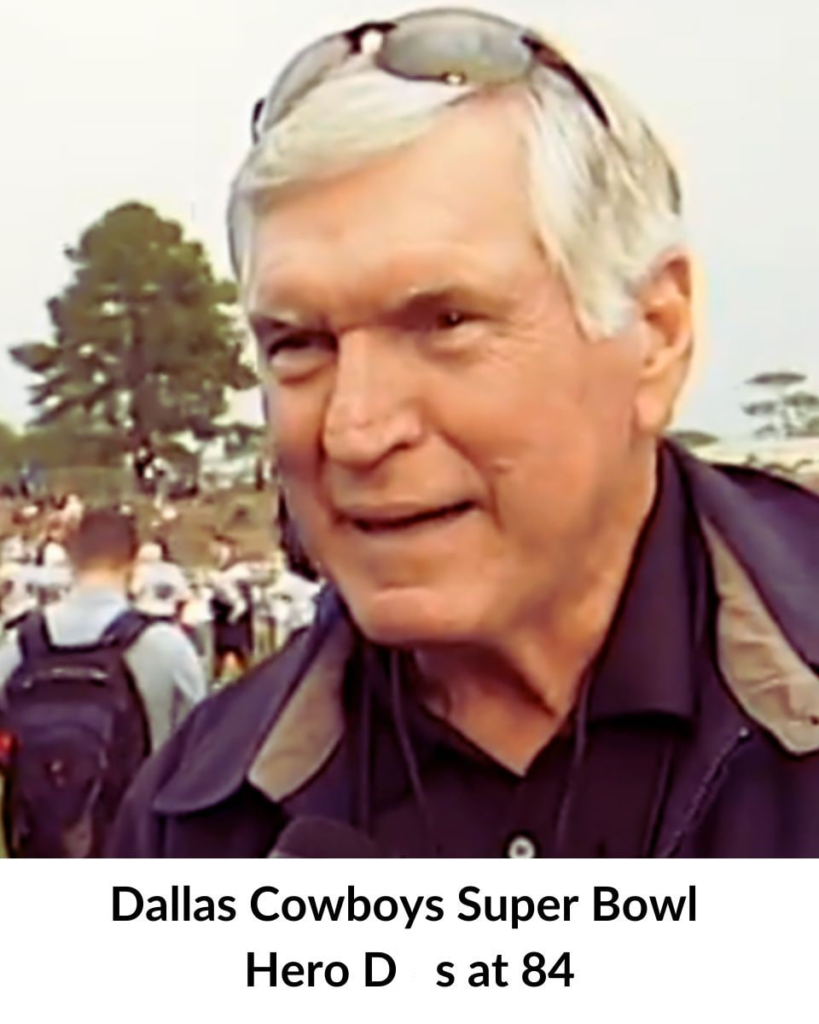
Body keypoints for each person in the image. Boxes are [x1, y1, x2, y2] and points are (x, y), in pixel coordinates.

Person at [110, 8, 819, 858]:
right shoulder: (193, 822)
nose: (355, 431)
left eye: (445, 322)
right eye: (299, 344)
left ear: (655, 335)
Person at [0, 509, 206, 751]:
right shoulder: (166, 647)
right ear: (134, 564)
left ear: (71, 562)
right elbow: (202, 747)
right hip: (145, 775)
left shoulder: (19, 646)